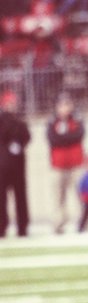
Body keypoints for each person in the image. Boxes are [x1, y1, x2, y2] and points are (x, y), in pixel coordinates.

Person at [46, 92, 86, 234]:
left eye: (67, 104)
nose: (64, 108)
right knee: (58, 197)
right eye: (61, 105)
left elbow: (78, 135)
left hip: (76, 164)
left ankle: (84, 223)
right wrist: (67, 138)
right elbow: (53, 139)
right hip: (58, 166)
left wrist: (64, 138)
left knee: (81, 194)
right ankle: (59, 224)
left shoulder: (78, 120)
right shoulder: (52, 122)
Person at [0, 90, 31, 239]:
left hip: (18, 165)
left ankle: (22, 227)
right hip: (3, 165)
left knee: (20, 196)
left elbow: (26, 137)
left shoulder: (20, 121)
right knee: (1, 197)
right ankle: (2, 227)